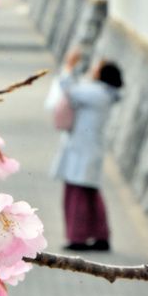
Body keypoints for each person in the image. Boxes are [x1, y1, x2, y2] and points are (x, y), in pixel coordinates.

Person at [52, 48, 123, 251]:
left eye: (97, 68)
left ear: (102, 74)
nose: (93, 70)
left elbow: (69, 89)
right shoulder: (103, 93)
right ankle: (100, 236)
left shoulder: (97, 93)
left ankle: (78, 237)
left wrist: (68, 65)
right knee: (90, 194)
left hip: (82, 150)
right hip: (87, 149)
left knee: (77, 195)